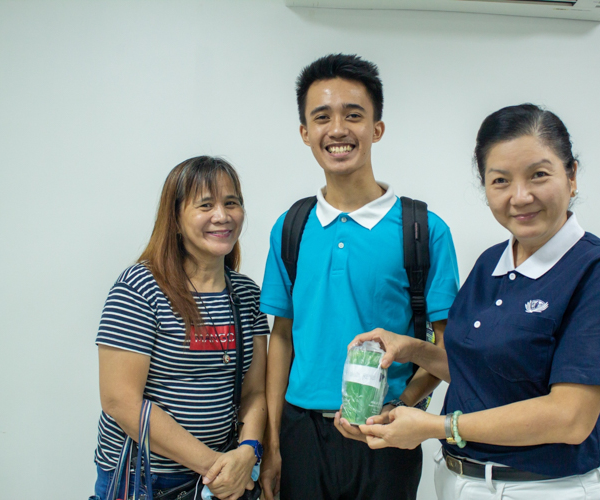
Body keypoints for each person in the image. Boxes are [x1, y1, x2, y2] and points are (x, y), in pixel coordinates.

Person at [351, 104, 600, 500]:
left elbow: (570, 417)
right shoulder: (491, 263)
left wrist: (438, 427)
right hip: (460, 481)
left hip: (545, 488)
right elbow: (478, 370)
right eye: (500, 180)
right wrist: (411, 348)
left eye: (539, 174)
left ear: (571, 176)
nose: (520, 197)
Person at [258, 54, 460, 500]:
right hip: (302, 431)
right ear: (305, 133)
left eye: (354, 115)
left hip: (385, 431)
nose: (338, 129)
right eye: (322, 117)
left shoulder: (424, 230)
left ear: (377, 128)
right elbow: (282, 339)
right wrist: (272, 444)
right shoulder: (290, 227)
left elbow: (447, 352)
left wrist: (402, 408)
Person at [90, 156, 268, 500]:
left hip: (219, 481)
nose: (222, 215)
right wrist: (215, 466)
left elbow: (254, 392)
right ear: (174, 219)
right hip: (145, 481)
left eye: (232, 203)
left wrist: (248, 452)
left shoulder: (247, 295)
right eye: (206, 205)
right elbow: (120, 401)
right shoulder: (140, 288)